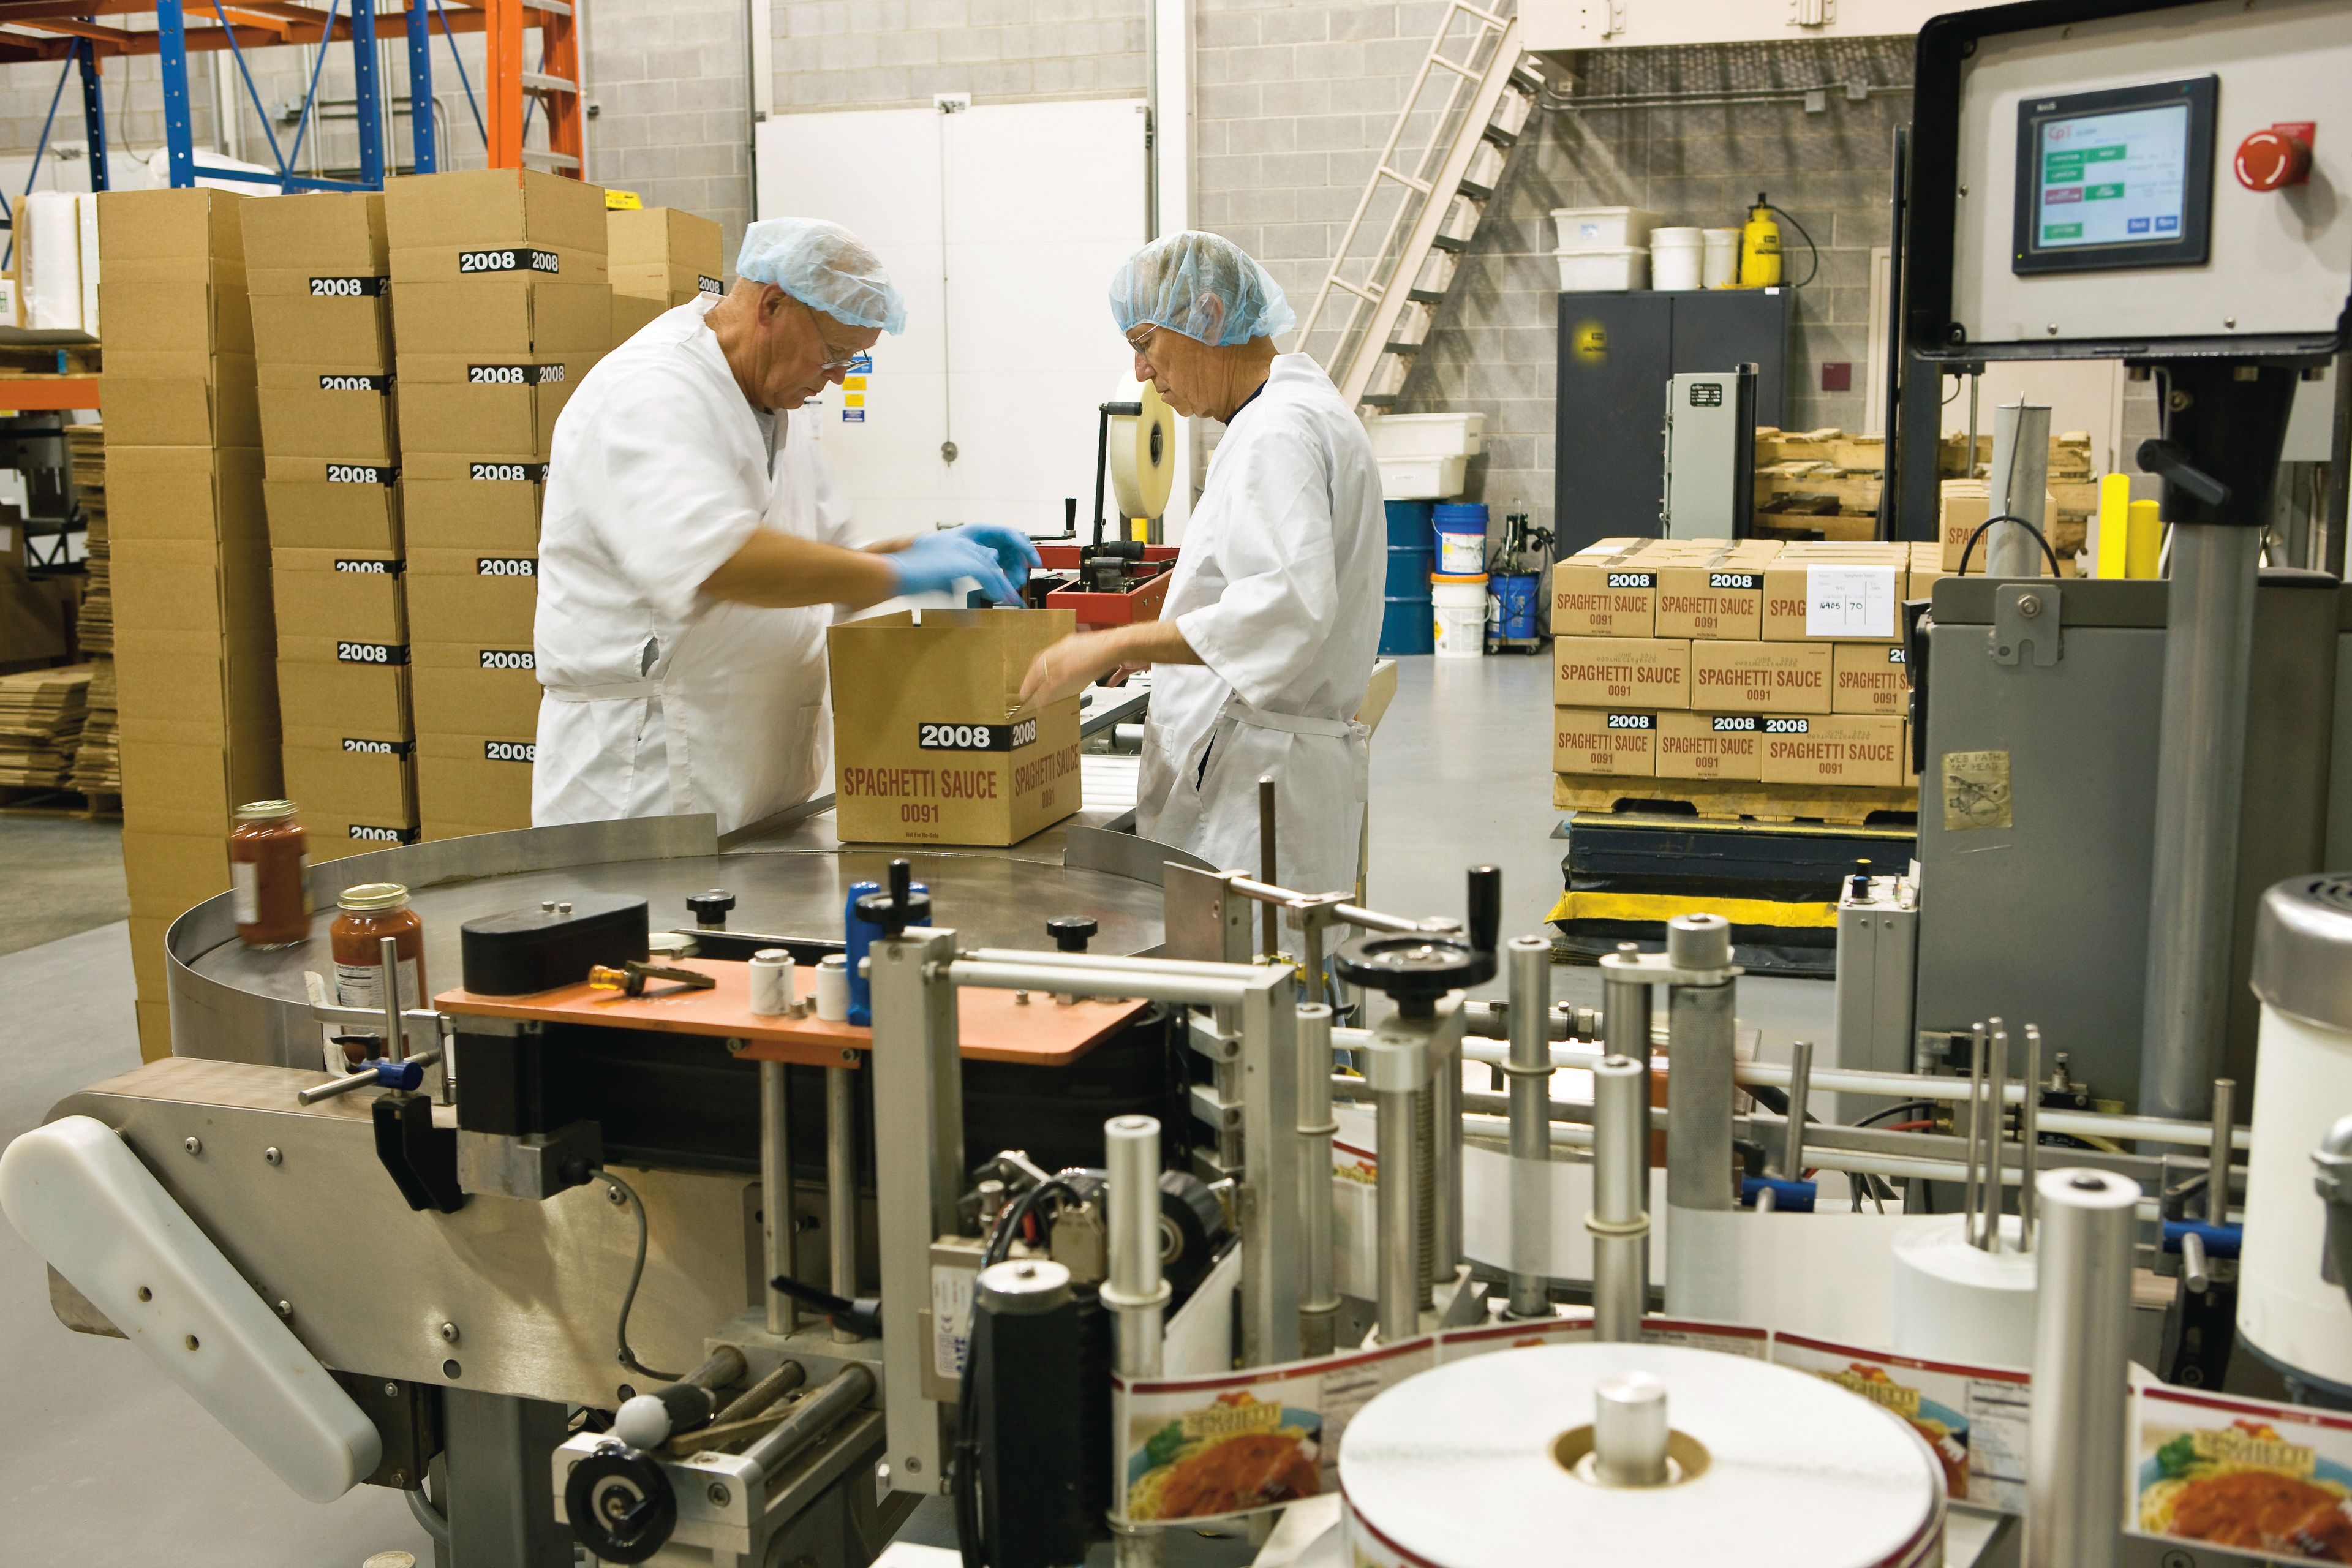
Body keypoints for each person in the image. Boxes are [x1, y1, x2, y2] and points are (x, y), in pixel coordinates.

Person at [533, 217, 1040, 835]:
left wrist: (924, 551)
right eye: (833, 355)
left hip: (763, 786)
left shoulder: (780, 410)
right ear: (772, 304)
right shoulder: (649, 392)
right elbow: (720, 559)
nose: (839, 378)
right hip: (649, 783)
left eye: (853, 362)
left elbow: (824, 567)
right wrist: (896, 569)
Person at [1017, 232, 1382, 895]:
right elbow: (1249, 594)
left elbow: (1284, 611)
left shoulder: (1278, 433)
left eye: (1144, 343)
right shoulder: (1292, 416)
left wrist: (1119, 641)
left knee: (1257, 986)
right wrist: (1159, 647)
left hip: (1256, 802)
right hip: (1270, 780)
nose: (1140, 373)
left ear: (1209, 316)